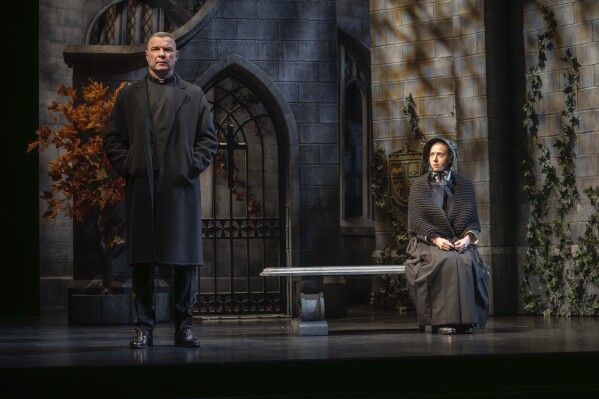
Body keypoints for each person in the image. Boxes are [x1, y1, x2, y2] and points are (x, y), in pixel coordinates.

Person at [104, 32, 218, 348]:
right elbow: (113, 140)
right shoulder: (128, 96)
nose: (161, 54)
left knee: (182, 261)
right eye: (155, 49)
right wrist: (131, 166)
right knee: (142, 262)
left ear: (176, 56)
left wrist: (189, 165)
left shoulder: (194, 95)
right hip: (143, 186)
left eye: (168, 49)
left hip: (180, 187)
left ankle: (183, 328)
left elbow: (208, 140)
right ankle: (144, 328)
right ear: (146, 56)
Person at [405, 138, 490, 335]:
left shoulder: (465, 186)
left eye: (440, 154)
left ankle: (467, 320)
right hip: (427, 241)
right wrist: (435, 239)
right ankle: (443, 321)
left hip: (457, 240)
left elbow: (472, 221)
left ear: (450, 158)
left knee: (466, 260)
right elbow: (416, 222)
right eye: (432, 154)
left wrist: (467, 239)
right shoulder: (418, 187)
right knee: (444, 261)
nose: (435, 159)